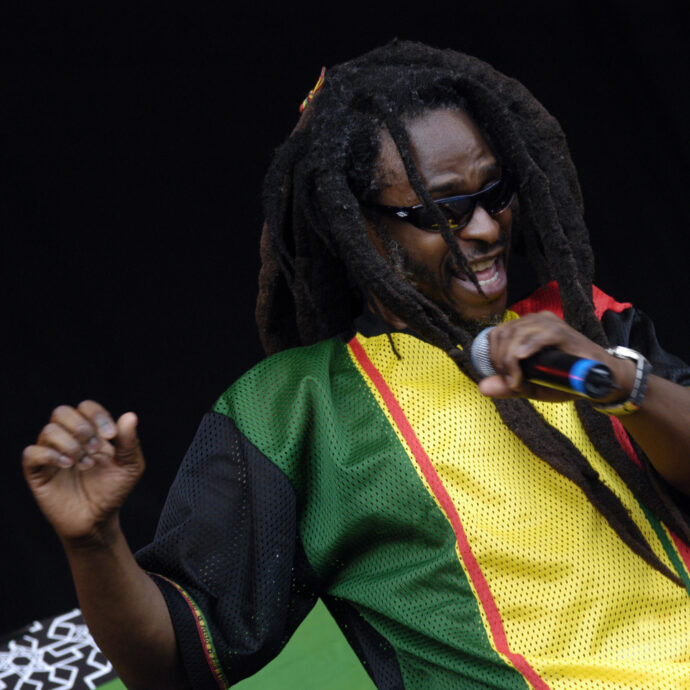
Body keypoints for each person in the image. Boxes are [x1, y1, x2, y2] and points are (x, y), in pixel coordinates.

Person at [22, 40, 690, 689]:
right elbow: (173, 664)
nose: (486, 228)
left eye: (495, 192)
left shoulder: (585, 326)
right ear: (362, 229)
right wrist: (93, 542)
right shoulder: (299, 410)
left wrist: (619, 381)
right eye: (443, 210)